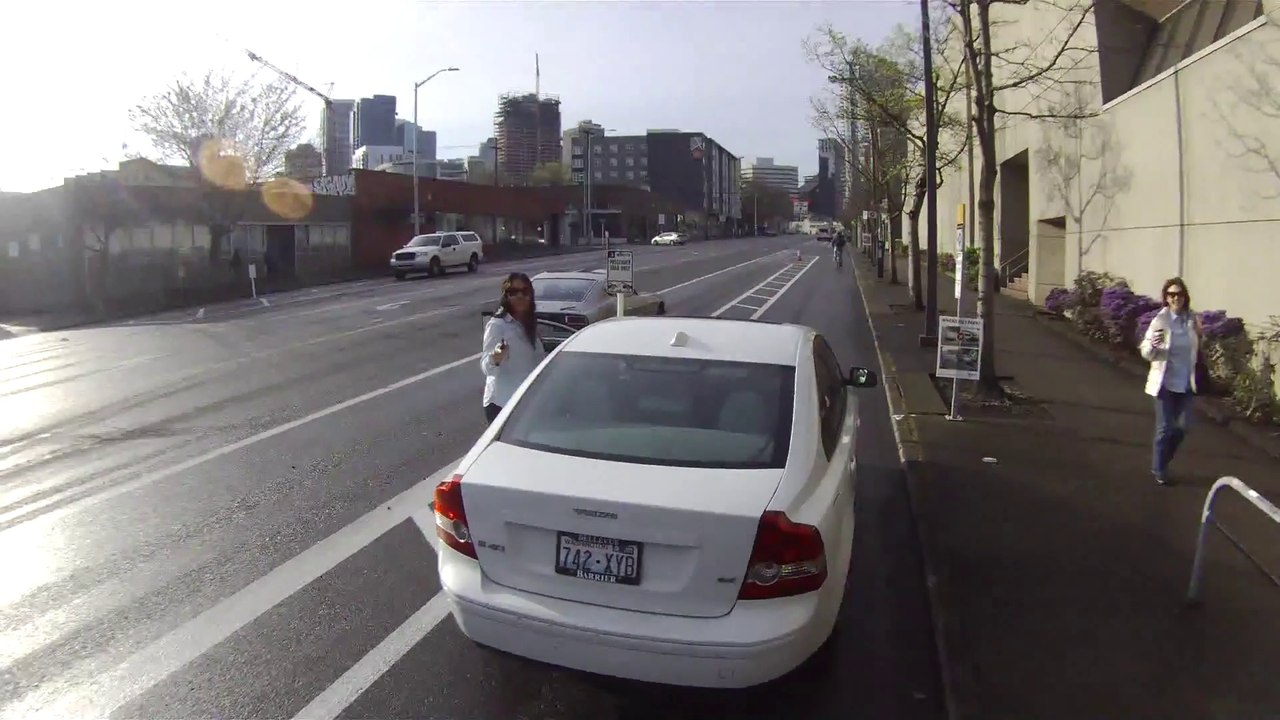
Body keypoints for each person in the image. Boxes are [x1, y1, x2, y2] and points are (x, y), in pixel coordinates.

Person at [1139, 276, 1203, 486]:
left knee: (1182, 428)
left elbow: (1197, 349)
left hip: (1185, 384)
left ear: (1185, 297)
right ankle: (1159, 468)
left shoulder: (1192, 321)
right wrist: (1153, 346)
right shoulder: (1160, 321)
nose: (1176, 298)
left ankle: (1163, 460)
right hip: (1164, 384)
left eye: (1179, 294)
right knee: (1165, 429)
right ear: (1166, 298)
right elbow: (1146, 353)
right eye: (1171, 294)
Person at [481, 272, 545, 424]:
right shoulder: (497, 325)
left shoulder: (529, 324)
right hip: (502, 403)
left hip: (525, 402)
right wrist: (495, 358)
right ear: (506, 296)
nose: (520, 296)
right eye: (514, 292)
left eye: (525, 291)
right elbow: (486, 367)